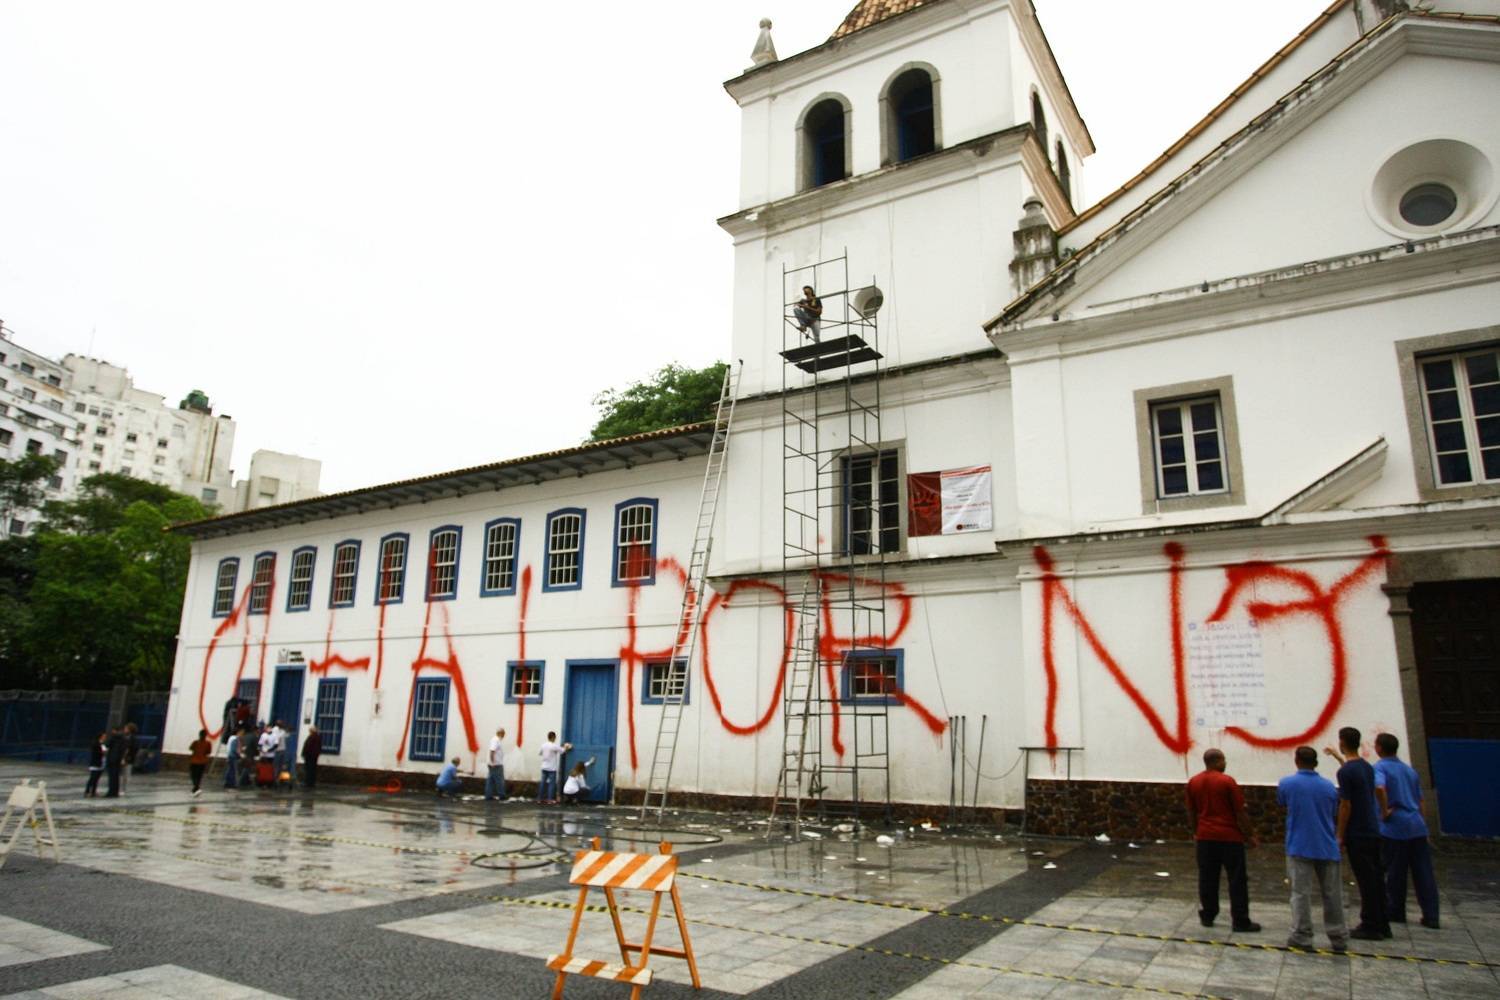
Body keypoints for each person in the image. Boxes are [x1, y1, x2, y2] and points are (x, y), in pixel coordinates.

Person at [1277, 746, 1348, 952]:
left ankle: (1302, 934)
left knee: (1300, 893)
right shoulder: (1328, 787)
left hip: (1299, 844)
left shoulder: (1287, 784)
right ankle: (1338, 936)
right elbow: (1335, 809)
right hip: (1327, 845)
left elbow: (1282, 802)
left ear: (1297, 761)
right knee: (1333, 893)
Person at [1323, 728, 1390, 940]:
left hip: (1358, 831)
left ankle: (1370, 924)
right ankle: (1383, 923)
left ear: (1342, 742)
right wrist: (1336, 756)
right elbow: (1355, 777)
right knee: (1377, 878)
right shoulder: (1366, 767)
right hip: (1372, 829)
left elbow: (1346, 805)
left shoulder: (1347, 772)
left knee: (1366, 879)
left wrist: (1340, 834)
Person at [1184, 748, 1260, 931]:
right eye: (1223, 760)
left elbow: (1191, 812)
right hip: (1229, 837)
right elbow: (1239, 811)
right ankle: (1240, 920)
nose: (1225, 763)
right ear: (1217, 761)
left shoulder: (1194, 782)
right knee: (1237, 879)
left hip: (1205, 837)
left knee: (1207, 878)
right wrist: (1250, 835)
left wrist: (1196, 831)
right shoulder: (1227, 782)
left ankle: (1208, 915)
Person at [1373, 732, 1439, 929]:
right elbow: (1420, 801)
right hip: (1416, 825)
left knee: (1395, 871)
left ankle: (1396, 910)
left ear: (1379, 748)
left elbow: (1379, 788)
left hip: (1396, 826)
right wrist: (1423, 824)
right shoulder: (1409, 771)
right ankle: (1431, 914)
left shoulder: (1381, 767)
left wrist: (1384, 812)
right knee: (1424, 872)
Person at [537, 732, 569, 805]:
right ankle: (550, 799)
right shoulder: (554, 746)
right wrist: (566, 747)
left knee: (542, 783)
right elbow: (562, 751)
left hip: (544, 766)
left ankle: (539, 799)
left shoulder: (543, 745)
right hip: (552, 768)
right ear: (553, 737)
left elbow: (540, 753)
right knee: (551, 784)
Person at [188, 729, 213, 796]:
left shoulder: (196, 742)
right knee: (199, 776)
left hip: (194, 761)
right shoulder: (208, 743)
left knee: (193, 775)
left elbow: (190, 748)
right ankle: (196, 788)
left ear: (199, 735)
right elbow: (209, 752)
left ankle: (196, 788)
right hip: (203, 761)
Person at [485, 728, 507, 801]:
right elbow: (492, 751)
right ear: (501, 733)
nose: (504, 736)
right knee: (499, 780)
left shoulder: (494, 739)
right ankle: (502, 795)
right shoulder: (496, 740)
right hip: (496, 764)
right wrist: (493, 762)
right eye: (503, 734)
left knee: (490, 780)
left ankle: (488, 795)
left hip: (492, 763)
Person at [104, 726, 125, 798]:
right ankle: (115, 792)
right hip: (118, 759)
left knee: (111, 776)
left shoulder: (113, 738)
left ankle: (111, 792)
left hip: (112, 759)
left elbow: (107, 745)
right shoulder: (123, 738)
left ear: (114, 731)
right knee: (116, 776)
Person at [85, 732, 107, 797]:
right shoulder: (96, 743)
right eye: (104, 736)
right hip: (95, 763)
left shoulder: (103, 744)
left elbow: (105, 751)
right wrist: (103, 752)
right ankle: (87, 791)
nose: (105, 737)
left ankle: (93, 791)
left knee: (97, 778)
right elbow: (99, 752)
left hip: (101, 762)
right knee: (93, 778)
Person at [301, 725, 322, 790]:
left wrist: (305, 753)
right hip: (312, 756)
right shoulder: (315, 737)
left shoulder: (313, 737)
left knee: (310, 769)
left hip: (310, 756)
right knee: (311, 769)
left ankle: (309, 783)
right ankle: (310, 782)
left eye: (310, 730)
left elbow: (309, 746)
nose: (309, 731)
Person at [121, 722, 139, 791]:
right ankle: (122, 788)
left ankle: (123, 789)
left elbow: (131, 749)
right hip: (125, 758)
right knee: (124, 774)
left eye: (126, 728)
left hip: (128, 759)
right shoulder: (125, 737)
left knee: (126, 774)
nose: (124, 730)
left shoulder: (132, 739)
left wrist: (126, 758)